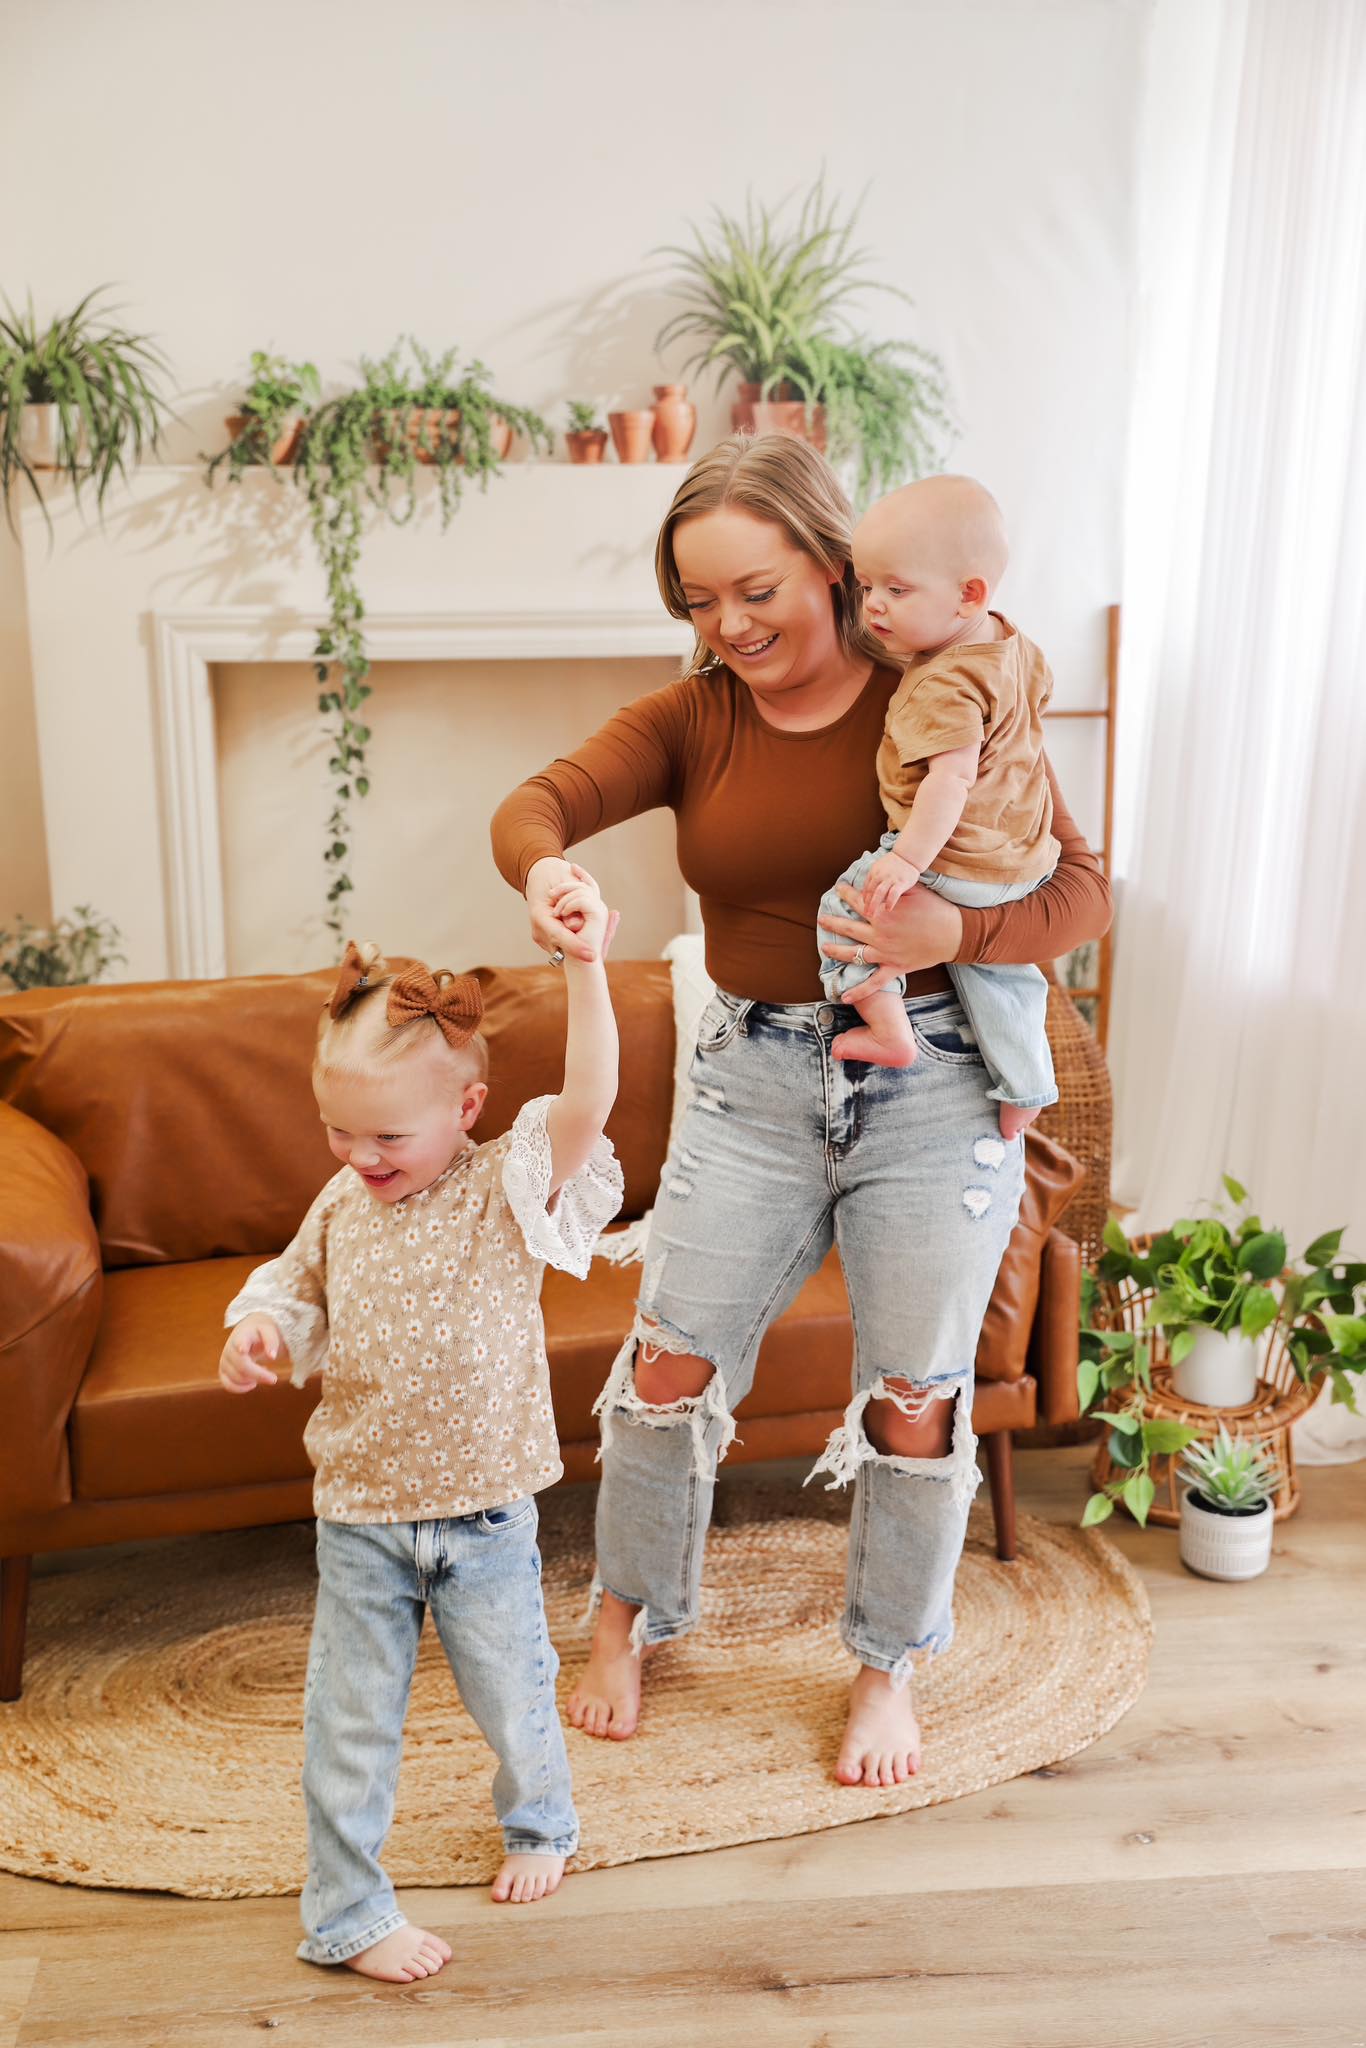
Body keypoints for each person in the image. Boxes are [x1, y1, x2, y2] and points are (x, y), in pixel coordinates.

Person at [491, 432, 1111, 1790]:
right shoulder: (694, 715)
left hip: (934, 1082)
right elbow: (539, 803)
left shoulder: (944, 688)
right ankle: (626, 1622)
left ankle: (886, 1666)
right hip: (751, 1086)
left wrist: (962, 922)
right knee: (665, 1367)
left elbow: (1081, 889)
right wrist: (543, 874)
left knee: (911, 1396)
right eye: (698, 599)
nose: (728, 624)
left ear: (834, 568)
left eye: (756, 590)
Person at [218, 907, 622, 1983]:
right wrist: (258, 1329)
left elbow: (589, 1102)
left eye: (387, 1136)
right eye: (338, 1132)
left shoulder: (503, 1186)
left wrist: (583, 966)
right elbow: (291, 1286)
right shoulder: (342, 1200)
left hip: (483, 1510)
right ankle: (346, 1908)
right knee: (347, 1720)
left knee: (515, 1689)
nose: (359, 1157)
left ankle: (541, 1821)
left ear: (467, 1107)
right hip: (359, 1511)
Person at [815, 474, 1059, 1141]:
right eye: (866, 587)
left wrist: (906, 860)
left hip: (957, 854)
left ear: (968, 594)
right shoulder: (1009, 643)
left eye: (897, 590)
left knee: (848, 906)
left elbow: (947, 782)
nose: (873, 608)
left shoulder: (939, 685)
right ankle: (1028, 1085)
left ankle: (887, 1029)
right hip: (1023, 856)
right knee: (1001, 972)